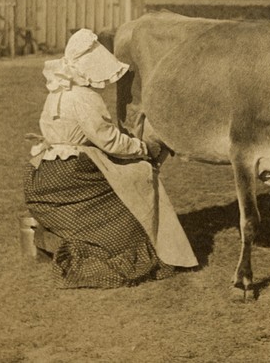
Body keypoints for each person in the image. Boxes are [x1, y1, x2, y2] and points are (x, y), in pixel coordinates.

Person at [24, 28, 198, 288]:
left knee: (124, 180)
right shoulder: (84, 98)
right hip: (73, 171)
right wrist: (141, 148)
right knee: (138, 182)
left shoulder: (58, 90)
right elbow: (109, 141)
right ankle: (149, 249)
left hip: (44, 172)